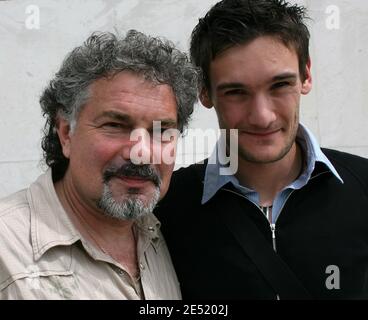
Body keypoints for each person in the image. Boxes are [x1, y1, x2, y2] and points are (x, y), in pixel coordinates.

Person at [155, 0, 368, 299]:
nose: (262, 116)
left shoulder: (363, 186)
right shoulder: (165, 210)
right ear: (204, 91)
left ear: (306, 75)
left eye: (280, 85)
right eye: (236, 92)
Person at [0, 30, 199, 299]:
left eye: (161, 131)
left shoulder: (167, 233)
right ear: (66, 133)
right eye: (115, 125)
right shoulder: (6, 250)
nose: (140, 153)